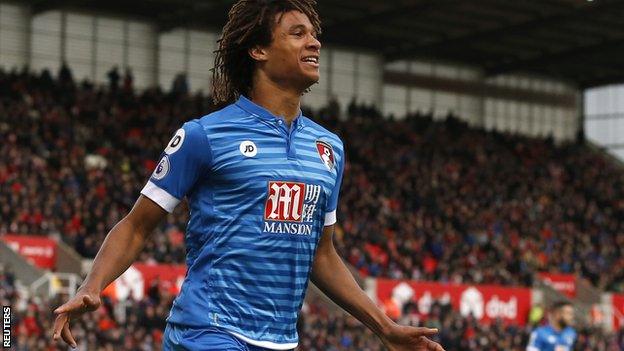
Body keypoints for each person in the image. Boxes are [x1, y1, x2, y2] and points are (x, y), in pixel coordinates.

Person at [51, 1, 445, 350]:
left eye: (314, 34)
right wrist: (91, 284)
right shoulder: (203, 136)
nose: (314, 43)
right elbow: (137, 226)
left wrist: (384, 327)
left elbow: (321, 254)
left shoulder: (329, 149)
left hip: (280, 340)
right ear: (259, 50)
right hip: (207, 331)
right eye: (297, 33)